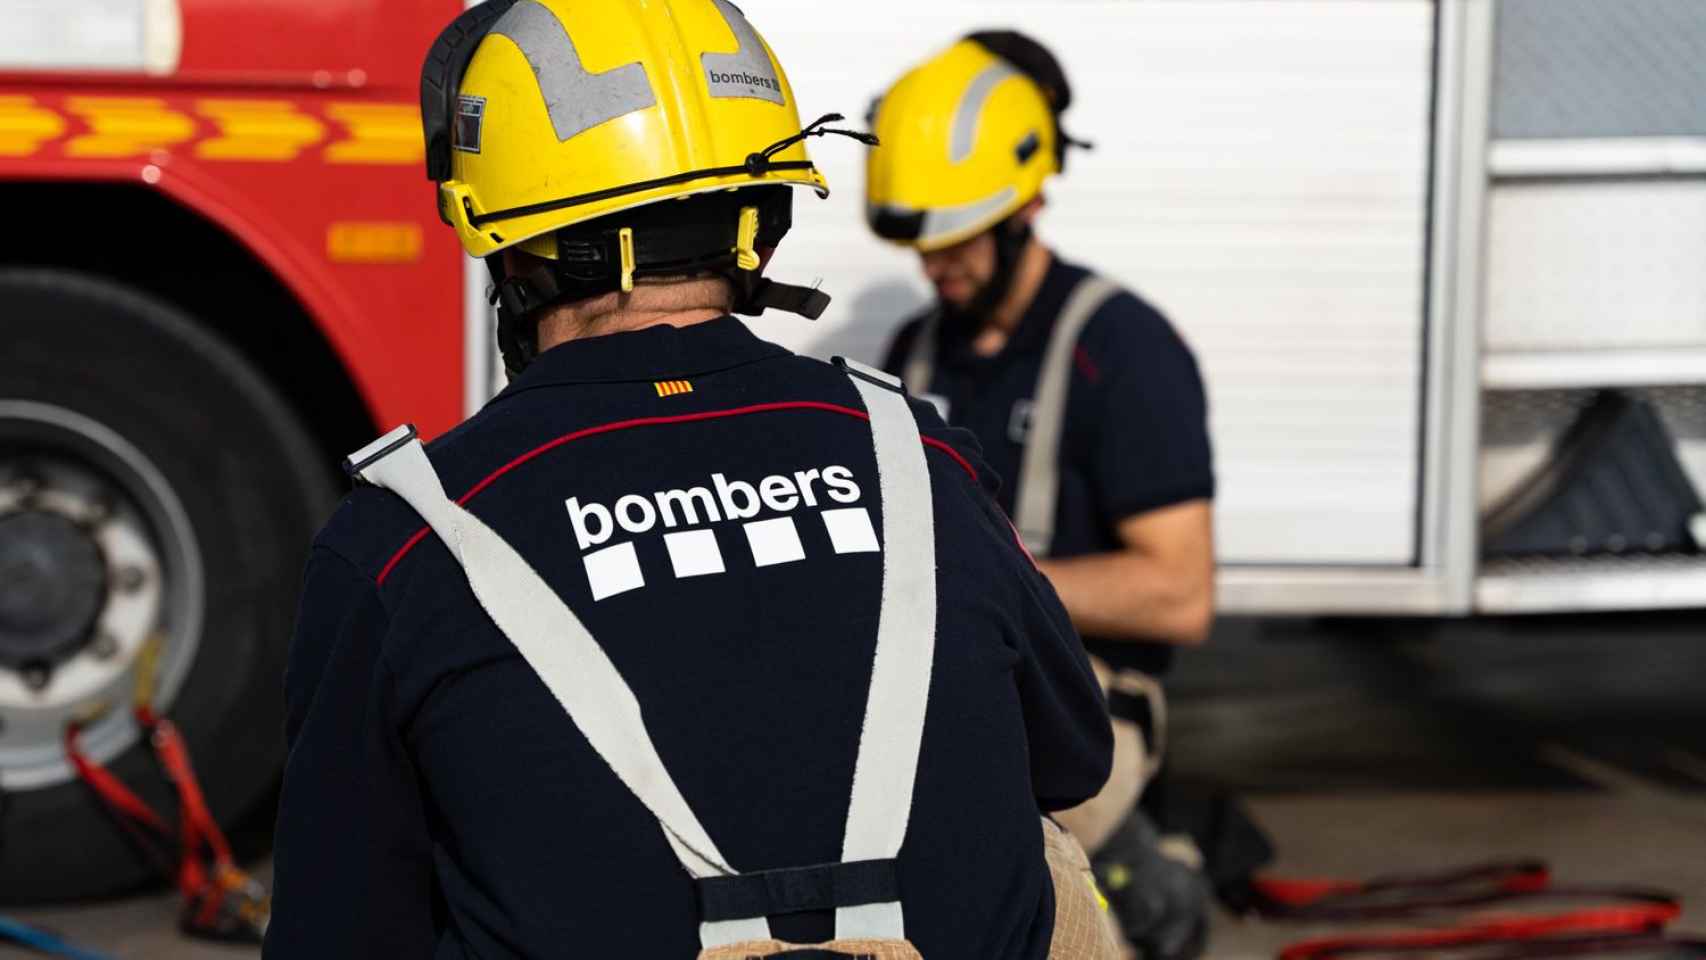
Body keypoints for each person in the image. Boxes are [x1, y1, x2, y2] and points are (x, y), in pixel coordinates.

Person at [265, 3, 1115, 958]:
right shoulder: (915, 457)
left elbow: (334, 930)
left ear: (499, 233)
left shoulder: (404, 541)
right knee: (1046, 857)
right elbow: (1074, 758)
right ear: (763, 220)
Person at [866, 32, 1217, 959]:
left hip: (1085, 693)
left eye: (956, 239)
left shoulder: (1123, 350)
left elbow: (1180, 593)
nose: (935, 266)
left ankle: (1133, 879)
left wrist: (993, 580)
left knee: (990, 857)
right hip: (954, 672)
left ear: (1024, 205)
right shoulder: (915, 353)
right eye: (921, 245)